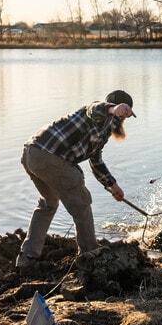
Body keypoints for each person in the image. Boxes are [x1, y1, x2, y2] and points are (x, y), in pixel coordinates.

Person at [16, 90, 136, 268]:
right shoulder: (99, 115)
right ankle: (90, 254)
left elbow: (96, 162)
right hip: (47, 155)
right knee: (81, 202)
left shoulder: (103, 134)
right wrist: (113, 109)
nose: (122, 119)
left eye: (125, 115)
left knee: (48, 203)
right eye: (123, 114)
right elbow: (94, 109)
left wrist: (113, 185)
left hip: (32, 154)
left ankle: (27, 257)